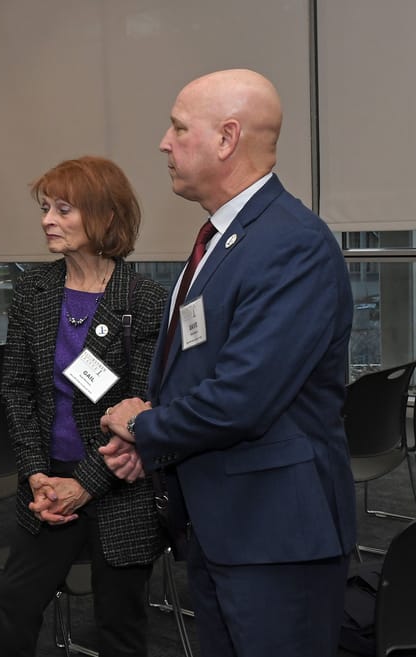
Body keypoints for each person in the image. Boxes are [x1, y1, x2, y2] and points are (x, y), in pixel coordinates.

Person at [100, 69, 356, 657]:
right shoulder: (229, 236)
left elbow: (242, 399)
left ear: (227, 139)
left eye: (178, 127)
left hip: (276, 537)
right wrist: (153, 439)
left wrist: (143, 425)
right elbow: (202, 365)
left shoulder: (292, 243)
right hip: (225, 527)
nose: (165, 142)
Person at [0, 157, 166, 657]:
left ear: (105, 217)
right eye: (46, 208)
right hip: (48, 485)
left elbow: (146, 409)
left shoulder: (145, 300)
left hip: (120, 486)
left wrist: (84, 485)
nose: (48, 219)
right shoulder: (32, 291)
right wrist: (34, 475)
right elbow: (18, 390)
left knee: (119, 625)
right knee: (16, 605)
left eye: (63, 209)